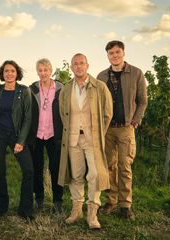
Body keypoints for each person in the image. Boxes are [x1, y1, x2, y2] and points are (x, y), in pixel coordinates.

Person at [58, 53, 113, 229]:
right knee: (76, 175)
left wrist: (98, 133)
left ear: (87, 66)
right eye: (75, 64)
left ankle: (92, 213)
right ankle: (76, 210)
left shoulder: (100, 87)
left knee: (95, 174)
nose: (78, 66)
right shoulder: (66, 89)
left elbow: (107, 113)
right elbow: (62, 113)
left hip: (92, 139)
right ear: (72, 68)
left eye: (82, 63)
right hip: (73, 138)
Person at [97, 40, 147, 220]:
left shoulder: (136, 73)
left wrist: (135, 121)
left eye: (117, 52)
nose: (115, 55)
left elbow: (142, 101)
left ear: (123, 53)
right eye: (111, 53)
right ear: (108, 56)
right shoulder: (101, 76)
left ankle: (125, 205)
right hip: (108, 129)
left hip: (126, 128)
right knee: (109, 166)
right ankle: (111, 201)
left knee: (124, 166)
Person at [0, 60, 34, 221]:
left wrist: (21, 141)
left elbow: (28, 117)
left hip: (16, 135)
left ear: (17, 73)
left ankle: (25, 210)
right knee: (0, 170)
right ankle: (0, 208)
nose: (9, 73)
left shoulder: (24, 91)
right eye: (6, 71)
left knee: (28, 170)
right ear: (2, 73)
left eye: (12, 71)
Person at [27, 58, 64, 213]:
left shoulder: (61, 88)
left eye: (45, 70)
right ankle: (39, 198)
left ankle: (57, 201)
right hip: (36, 134)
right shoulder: (32, 89)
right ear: (37, 72)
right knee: (37, 168)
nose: (43, 73)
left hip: (54, 134)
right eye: (40, 70)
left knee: (56, 168)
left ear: (51, 71)